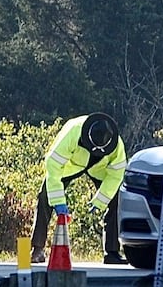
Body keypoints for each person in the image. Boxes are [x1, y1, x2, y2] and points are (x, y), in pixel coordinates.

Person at [31, 112, 127, 264]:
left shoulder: (116, 145)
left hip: (98, 170)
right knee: (45, 196)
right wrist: (58, 201)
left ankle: (112, 252)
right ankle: (37, 249)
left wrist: (101, 200)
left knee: (116, 199)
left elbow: (116, 175)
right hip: (70, 167)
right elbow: (53, 165)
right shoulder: (72, 131)